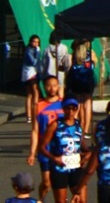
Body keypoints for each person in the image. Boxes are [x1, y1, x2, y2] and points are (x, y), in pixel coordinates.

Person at [39, 96, 86, 203]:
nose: (70, 111)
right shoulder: (55, 125)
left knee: (81, 200)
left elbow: (84, 147)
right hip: (59, 168)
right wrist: (54, 159)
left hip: (76, 167)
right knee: (61, 201)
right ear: (63, 109)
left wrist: (87, 154)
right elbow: (42, 147)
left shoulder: (79, 125)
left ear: (76, 109)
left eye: (73, 108)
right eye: (67, 108)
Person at [28, 74, 63, 203]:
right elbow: (35, 130)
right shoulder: (38, 106)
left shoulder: (64, 104)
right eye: (49, 86)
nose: (52, 88)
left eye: (54, 85)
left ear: (58, 86)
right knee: (47, 182)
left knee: (60, 183)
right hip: (45, 150)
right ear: (45, 87)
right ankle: (41, 199)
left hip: (61, 149)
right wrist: (32, 153)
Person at [20, 35, 45, 124]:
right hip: (29, 73)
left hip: (34, 72)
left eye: (37, 42)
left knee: (31, 94)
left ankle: (31, 115)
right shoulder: (28, 50)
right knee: (33, 93)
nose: (36, 44)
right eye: (34, 42)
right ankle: (32, 114)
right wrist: (38, 53)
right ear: (30, 42)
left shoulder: (35, 49)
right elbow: (33, 62)